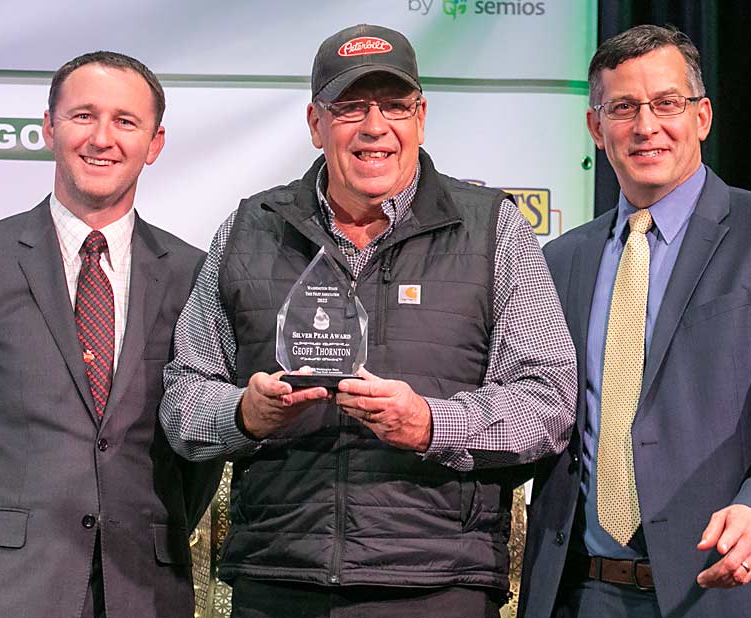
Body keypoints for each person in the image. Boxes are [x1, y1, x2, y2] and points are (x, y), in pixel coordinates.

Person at [160, 23, 577, 618]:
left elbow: (548, 403)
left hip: (436, 585)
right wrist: (241, 415)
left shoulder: (494, 230)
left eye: (395, 106)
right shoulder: (250, 229)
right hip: (279, 579)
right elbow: (182, 400)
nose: (374, 126)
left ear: (421, 117)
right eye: (350, 107)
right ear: (314, 123)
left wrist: (431, 424)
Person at [518, 24, 751, 618]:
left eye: (666, 103)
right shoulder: (561, 259)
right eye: (623, 107)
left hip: (738, 589)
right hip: (587, 594)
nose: (646, 126)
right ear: (597, 129)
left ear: (701, 117)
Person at [0, 51, 223, 618]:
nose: (102, 138)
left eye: (126, 121)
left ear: (156, 143)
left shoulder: (193, 275)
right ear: (48, 128)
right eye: (82, 116)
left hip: (140, 590)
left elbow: (198, 453)